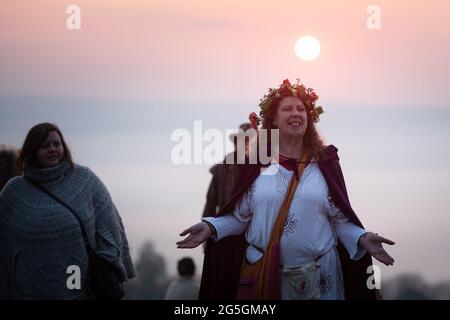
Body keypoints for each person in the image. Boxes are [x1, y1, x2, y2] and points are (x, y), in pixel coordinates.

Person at [177, 79, 395, 300]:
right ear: (273, 118)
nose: (296, 113)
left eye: (301, 109)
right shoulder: (257, 164)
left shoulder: (324, 162)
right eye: (288, 108)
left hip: (322, 277)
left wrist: (361, 237)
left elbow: (340, 219)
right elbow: (240, 217)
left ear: (309, 118)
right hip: (266, 274)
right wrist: (211, 227)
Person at [0, 123, 135, 299]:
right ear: (31, 150)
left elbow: (109, 225)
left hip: (81, 290)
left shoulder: (84, 180)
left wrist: (111, 265)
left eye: (57, 144)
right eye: (45, 145)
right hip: (28, 291)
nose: (53, 149)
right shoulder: (13, 193)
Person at [202, 123, 251, 219]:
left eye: (247, 140)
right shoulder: (220, 170)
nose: (242, 143)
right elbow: (210, 205)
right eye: (239, 140)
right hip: (226, 228)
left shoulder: (263, 169)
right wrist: (208, 229)